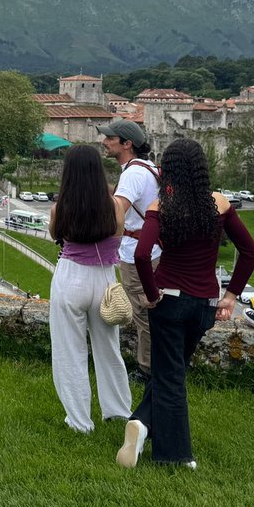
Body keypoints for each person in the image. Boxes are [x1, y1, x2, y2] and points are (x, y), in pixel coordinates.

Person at [117, 138, 254, 469]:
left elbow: (141, 254)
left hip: (169, 300)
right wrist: (231, 295)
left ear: (168, 170)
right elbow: (250, 252)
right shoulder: (219, 204)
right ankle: (141, 422)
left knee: (170, 378)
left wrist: (151, 294)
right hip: (204, 303)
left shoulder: (161, 208)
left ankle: (174, 456)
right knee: (173, 370)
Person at [48, 144, 131, 433]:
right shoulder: (114, 207)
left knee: (69, 351)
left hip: (72, 275)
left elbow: (55, 234)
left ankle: (79, 420)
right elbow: (117, 236)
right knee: (109, 348)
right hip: (105, 278)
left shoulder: (60, 208)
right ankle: (118, 409)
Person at [98, 119, 159, 382]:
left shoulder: (132, 174)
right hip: (154, 250)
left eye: (110, 138)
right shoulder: (148, 168)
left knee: (143, 314)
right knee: (150, 312)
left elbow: (117, 212)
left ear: (127, 144)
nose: (104, 141)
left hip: (137, 254)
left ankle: (147, 371)